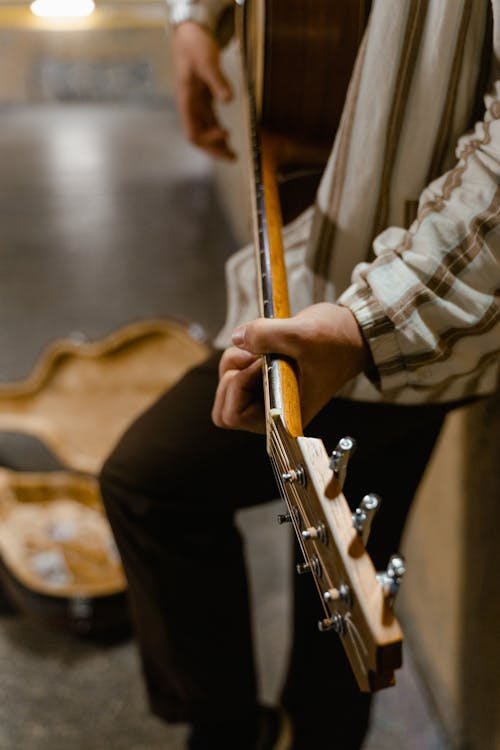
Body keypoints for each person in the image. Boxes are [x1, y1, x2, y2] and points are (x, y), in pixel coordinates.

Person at [99, 1, 500, 749]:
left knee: (149, 485)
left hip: (418, 308)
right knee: (345, 571)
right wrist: (195, 18)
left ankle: (227, 733)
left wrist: (366, 324)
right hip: (347, 271)